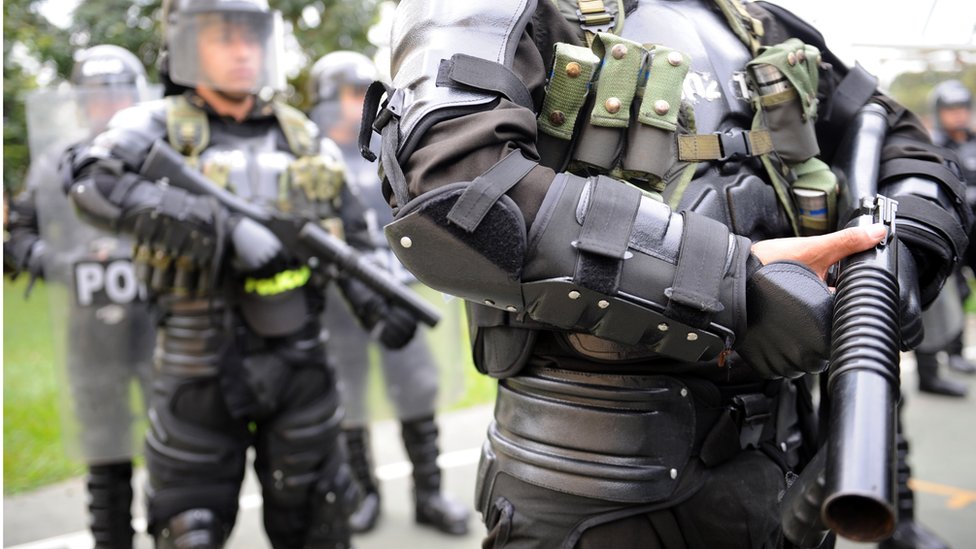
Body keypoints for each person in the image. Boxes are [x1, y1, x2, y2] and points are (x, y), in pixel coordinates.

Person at [361, 0, 970, 547]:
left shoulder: (755, 20)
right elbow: (459, 198)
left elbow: (899, 137)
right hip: (594, 480)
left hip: (782, 457)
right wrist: (734, 283)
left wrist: (906, 247)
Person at [62, 1, 421, 547]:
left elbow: (355, 237)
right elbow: (92, 184)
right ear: (184, 45)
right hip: (195, 364)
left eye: (251, 38)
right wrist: (218, 227)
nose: (242, 51)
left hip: (301, 362)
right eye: (222, 37)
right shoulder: (149, 125)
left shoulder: (305, 139)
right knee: (189, 528)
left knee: (318, 523)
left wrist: (377, 298)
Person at [307, 50, 470, 536]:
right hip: (341, 306)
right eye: (348, 94)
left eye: (363, 92)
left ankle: (430, 493)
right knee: (349, 399)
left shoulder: (386, 150)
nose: (358, 102)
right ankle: (363, 493)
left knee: (416, 392)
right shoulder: (311, 160)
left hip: (399, 297)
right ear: (324, 100)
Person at [5, 44, 156, 549]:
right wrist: (64, 264)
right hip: (91, 328)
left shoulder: (161, 153)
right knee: (105, 450)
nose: (108, 104)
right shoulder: (54, 165)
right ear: (80, 102)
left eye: (117, 93)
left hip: (163, 322)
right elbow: (19, 239)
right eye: (97, 95)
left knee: (173, 448)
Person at [913, 79, 976, 397]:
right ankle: (929, 373)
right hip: (950, 235)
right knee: (933, 296)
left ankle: (955, 353)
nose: (958, 115)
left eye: (962, 107)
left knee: (962, 294)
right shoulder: (930, 146)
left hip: (973, 234)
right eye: (951, 109)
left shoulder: (973, 143)